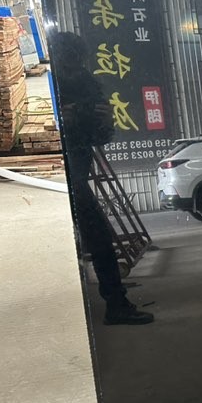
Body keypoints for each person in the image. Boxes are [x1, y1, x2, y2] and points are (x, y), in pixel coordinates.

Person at [49, 32, 153, 325]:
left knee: (98, 237)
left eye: (76, 61)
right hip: (52, 173)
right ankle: (108, 304)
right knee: (86, 238)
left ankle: (116, 304)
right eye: (67, 62)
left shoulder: (87, 85)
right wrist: (59, 122)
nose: (73, 67)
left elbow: (99, 136)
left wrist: (105, 121)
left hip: (76, 172)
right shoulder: (47, 84)